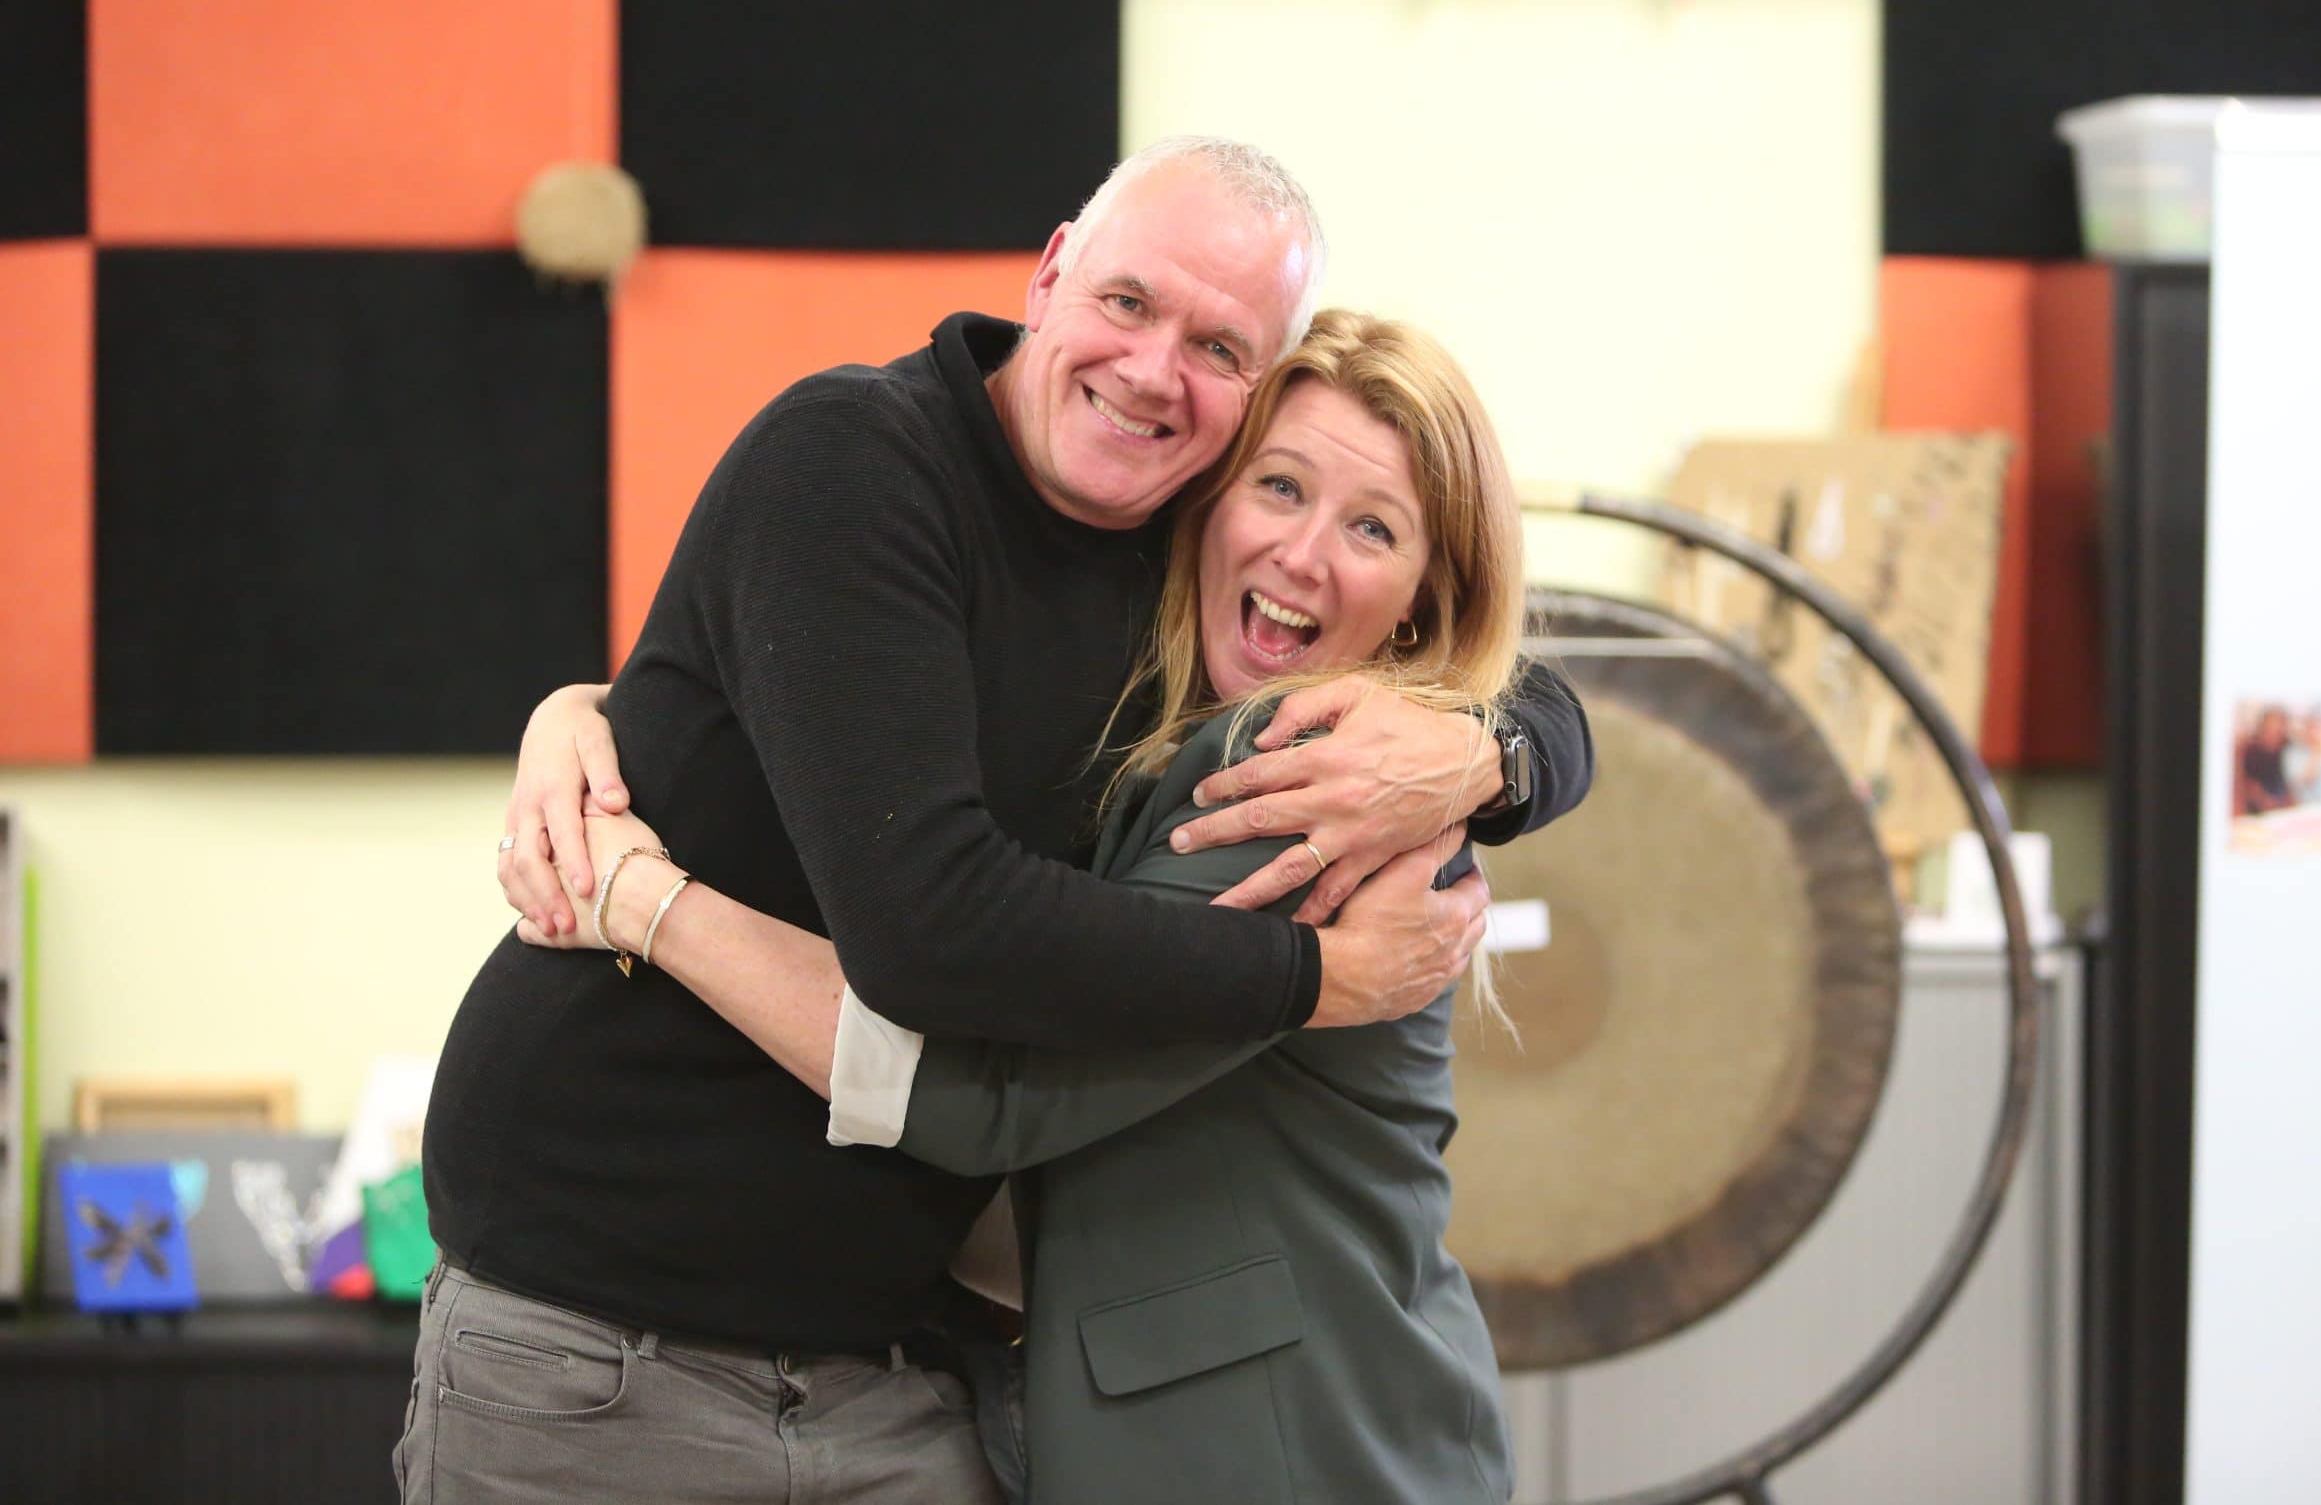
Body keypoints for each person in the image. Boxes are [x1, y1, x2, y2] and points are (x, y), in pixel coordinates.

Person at [406, 139, 1591, 1504]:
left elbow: (1511, 659)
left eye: (1217, 348)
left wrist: (1490, 750)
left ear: (1248, 397)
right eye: (1129, 302)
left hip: (906, 1376)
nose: (1153, 372)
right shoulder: (855, 463)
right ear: (1050, 272)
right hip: (605, 1343)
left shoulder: (1224, 615)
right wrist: (594, 749)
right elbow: (931, 928)